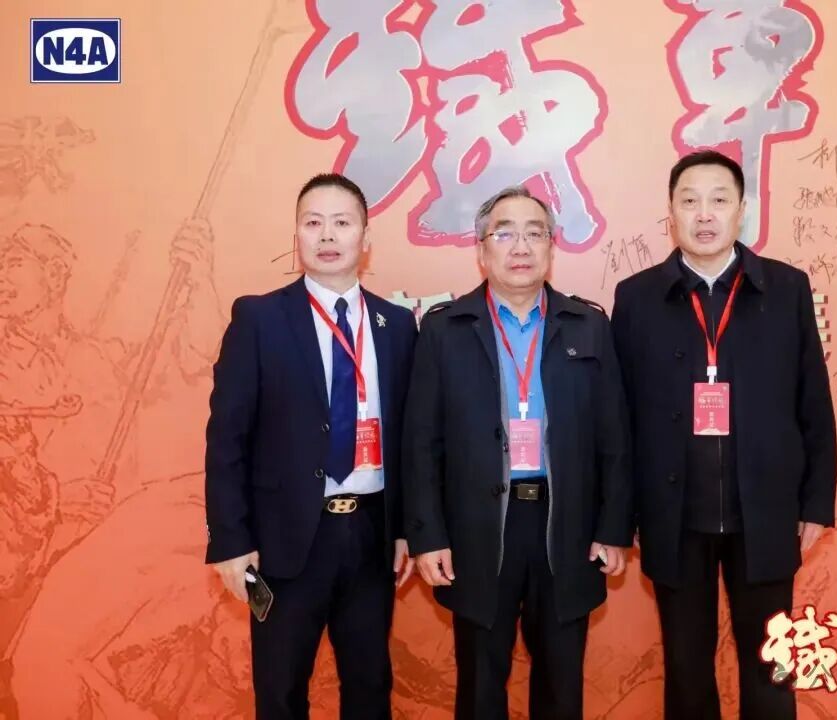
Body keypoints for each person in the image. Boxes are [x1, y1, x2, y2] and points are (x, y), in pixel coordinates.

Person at [610, 150, 837, 719]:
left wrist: (815, 503)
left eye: (719, 200)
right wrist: (622, 515)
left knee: (771, 666)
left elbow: (813, 401)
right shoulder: (637, 298)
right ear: (671, 213)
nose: (704, 214)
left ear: (742, 210)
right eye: (689, 201)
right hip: (673, 514)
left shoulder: (785, 288)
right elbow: (618, 419)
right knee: (687, 668)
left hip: (764, 509)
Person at [403, 185, 633, 720]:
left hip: (566, 525)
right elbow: (421, 442)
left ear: (552, 246)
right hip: (477, 528)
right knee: (481, 685)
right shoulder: (444, 329)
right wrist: (428, 535)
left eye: (535, 233)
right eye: (504, 234)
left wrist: (614, 527)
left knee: (561, 685)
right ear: (481, 249)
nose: (521, 247)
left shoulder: (588, 325)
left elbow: (615, 438)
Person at [204, 172, 417, 719]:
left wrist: (405, 529)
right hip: (285, 539)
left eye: (342, 223)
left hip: (370, 534)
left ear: (365, 238)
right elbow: (226, 438)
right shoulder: (259, 318)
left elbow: (410, 440)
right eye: (312, 222)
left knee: (369, 687)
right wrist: (230, 540)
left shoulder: (397, 325)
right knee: (281, 693)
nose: (327, 235)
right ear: (296, 234)